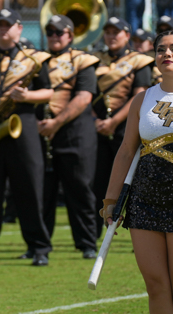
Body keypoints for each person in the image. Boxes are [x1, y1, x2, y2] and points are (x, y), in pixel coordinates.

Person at [102, 29, 173, 313]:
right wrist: (111, 201)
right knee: (156, 285)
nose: (166, 53)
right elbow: (125, 152)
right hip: (145, 199)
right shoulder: (142, 100)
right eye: (160, 49)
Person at [0, 8, 54, 266]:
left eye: (8, 25)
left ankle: (39, 248)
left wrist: (28, 97)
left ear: (19, 28)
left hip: (22, 125)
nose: (3, 29)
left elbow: (48, 92)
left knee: (29, 190)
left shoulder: (34, 58)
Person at [37, 15, 99, 259]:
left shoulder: (84, 60)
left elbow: (84, 97)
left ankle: (86, 244)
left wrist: (56, 123)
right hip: (42, 131)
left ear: (70, 35)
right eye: (50, 31)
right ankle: (40, 246)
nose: (54, 36)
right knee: (42, 192)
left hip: (75, 133)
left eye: (59, 32)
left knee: (80, 188)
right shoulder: (36, 61)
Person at [92, 17, 153, 238]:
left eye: (116, 32)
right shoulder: (95, 59)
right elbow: (88, 91)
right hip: (96, 127)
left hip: (125, 128)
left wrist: (113, 121)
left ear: (126, 35)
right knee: (95, 181)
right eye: (107, 32)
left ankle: (138, 226)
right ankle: (93, 235)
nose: (111, 36)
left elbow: (140, 94)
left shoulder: (140, 61)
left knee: (132, 179)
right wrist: (95, 119)